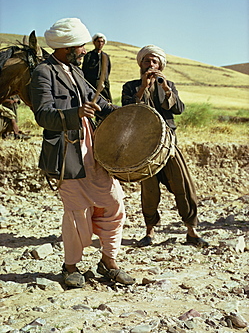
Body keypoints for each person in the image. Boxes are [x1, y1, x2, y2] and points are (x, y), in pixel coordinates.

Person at [29, 18, 135, 288]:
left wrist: (127, 113)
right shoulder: (44, 72)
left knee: (114, 202)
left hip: (94, 150)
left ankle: (108, 262)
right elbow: (43, 115)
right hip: (67, 154)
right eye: (80, 46)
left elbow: (98, 100)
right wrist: (75, 113)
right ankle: (70, 267)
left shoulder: (76, 72)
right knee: (77, 213)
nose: (84, 51)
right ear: (66, 47)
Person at [122, 45, 208, 248]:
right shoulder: (130, 86)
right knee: (149, 191)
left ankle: (192, 231)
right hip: (144, 147)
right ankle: (149, 233)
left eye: (154, 61)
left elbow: (179, 109)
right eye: (146, 61)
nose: (150, 65)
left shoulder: (168, 84)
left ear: (160, 64)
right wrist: (143, 88)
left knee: (183, 185)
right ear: (140, 63)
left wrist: (166, 89)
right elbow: (127, 112)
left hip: (168, 144)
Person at [82, 33, 112, 103]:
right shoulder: (88, 55)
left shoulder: (106, 56)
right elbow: (84, 70)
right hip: (91, 85)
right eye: (98, 41)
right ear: (94, 42)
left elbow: (108, 71)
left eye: (102, 42)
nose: (100, 43)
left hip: (103, 86)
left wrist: (105, 82)